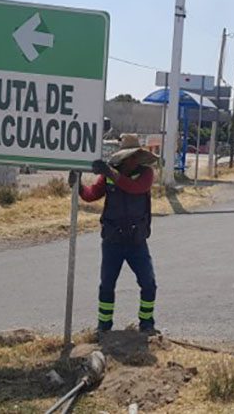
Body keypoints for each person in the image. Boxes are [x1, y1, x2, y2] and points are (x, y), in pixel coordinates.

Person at [69, 134, 159, 334]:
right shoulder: (109, 175)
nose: (133, 160)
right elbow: (91, 195)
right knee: (107, 285)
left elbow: (135, 188)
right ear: (123, 158)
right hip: (112, 240)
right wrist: (78, 186)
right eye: (130, 157)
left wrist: (110, 173)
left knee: (149, 283)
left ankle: (146, 323)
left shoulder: (146, 174)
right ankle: (104, 326)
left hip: (136, 241)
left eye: (135, 156)